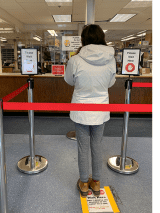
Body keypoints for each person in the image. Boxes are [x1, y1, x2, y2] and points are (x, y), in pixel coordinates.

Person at [64, 24, 116, 197]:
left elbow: (69, 81)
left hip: (81, 110)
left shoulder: (75, 60)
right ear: (102, 37)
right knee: (97, 146)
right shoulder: (110, 59)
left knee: (82, 147)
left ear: (83, 39)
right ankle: (96, 183)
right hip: (100, 109)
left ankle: (84, 183)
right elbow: (110, 83)